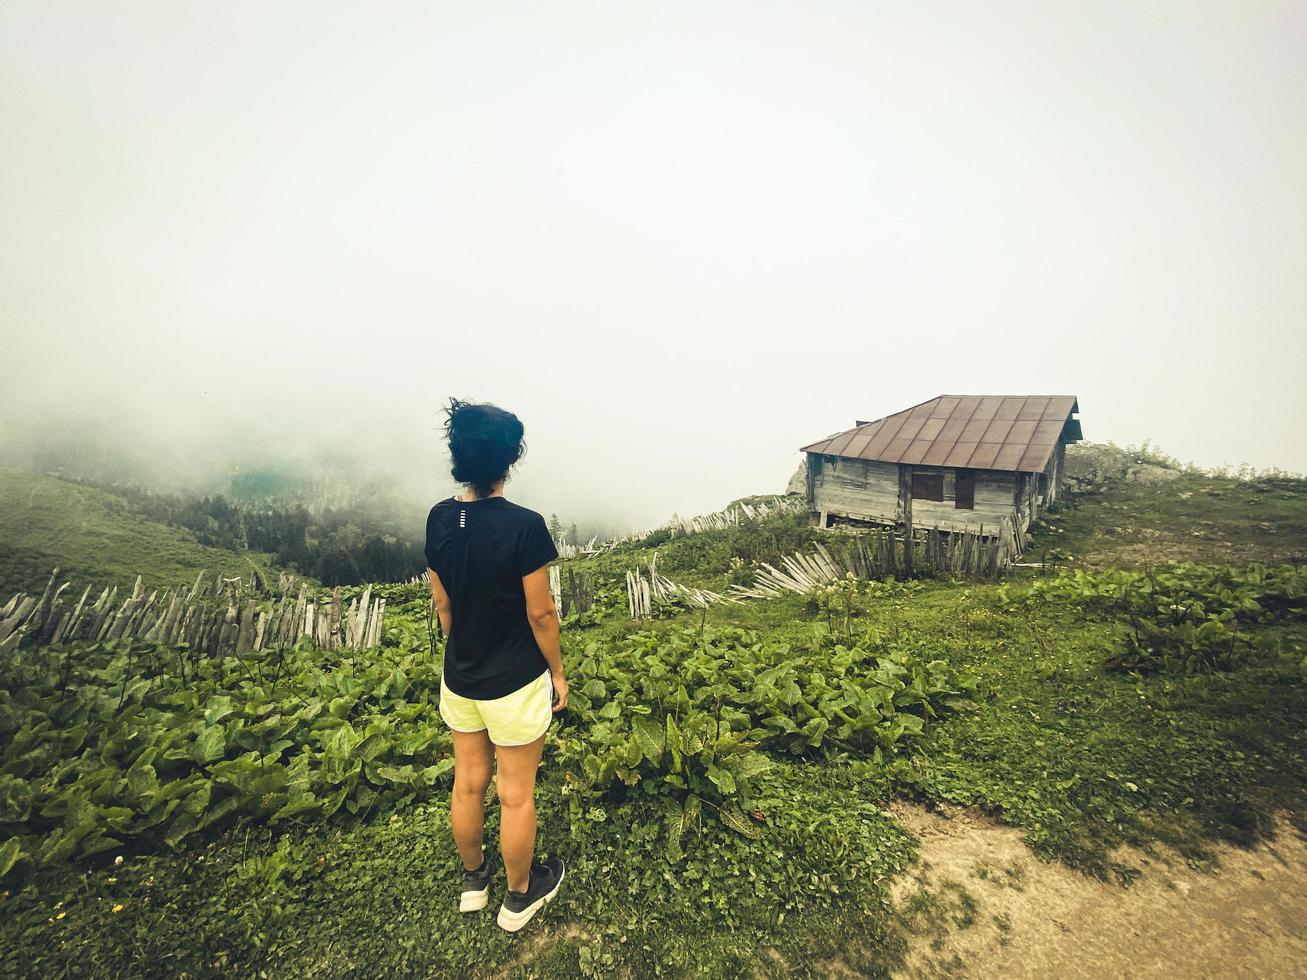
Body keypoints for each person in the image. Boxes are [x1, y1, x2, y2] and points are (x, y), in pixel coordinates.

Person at [425, 398, 568, 933]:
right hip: (514, 680)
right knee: (516, 793)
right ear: (510, 460)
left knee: (467, 783)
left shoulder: (439, 518)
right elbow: (541, 612)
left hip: (460, 676)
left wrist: (462, 649)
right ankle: (519, 896)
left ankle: (472, 882)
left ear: (458, 458)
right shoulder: (525, 527)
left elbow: (444, 606)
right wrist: (556, 672)